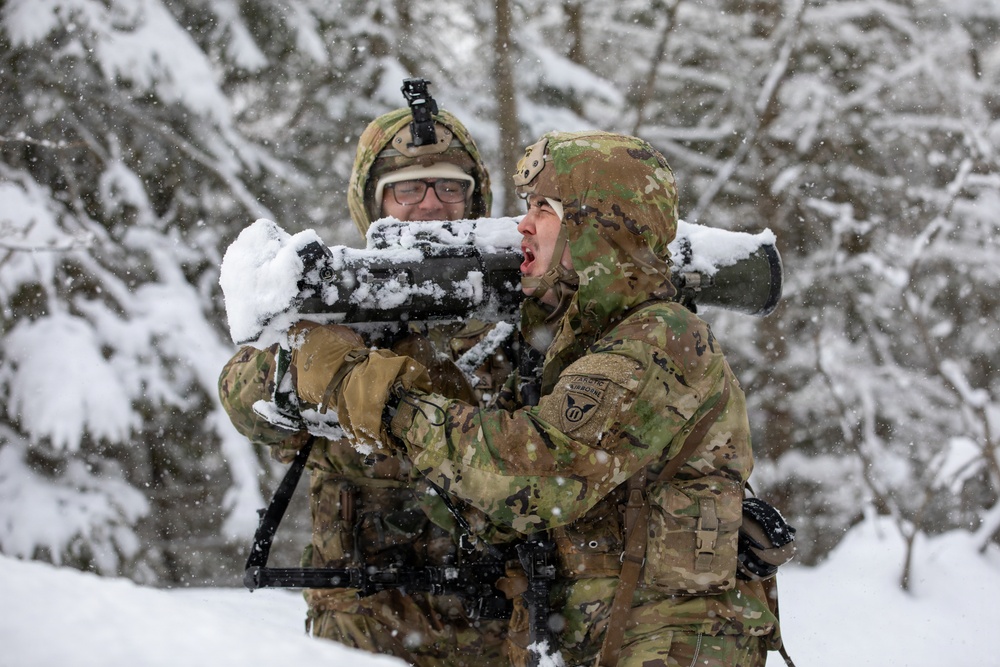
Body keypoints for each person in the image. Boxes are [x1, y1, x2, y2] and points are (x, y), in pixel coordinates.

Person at [282, 130, 784, 666]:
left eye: (545, 208)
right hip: (611, 638)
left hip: (673, 642)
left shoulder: (660, 337)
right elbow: (496, 508)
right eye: (527, 206)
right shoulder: (579, 339)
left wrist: (371, 391)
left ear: (597, 227)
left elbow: (537, 476)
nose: (522, 224)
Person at [219, 102, 515, 666]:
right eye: (407, 189)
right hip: (363, 623)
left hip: (502, 623)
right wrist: (316, 358)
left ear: (476, 199)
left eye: (450, 187)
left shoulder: (518, 312)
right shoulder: (339, 302)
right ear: (372, 202)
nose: (430, 204)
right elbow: (242, 395)